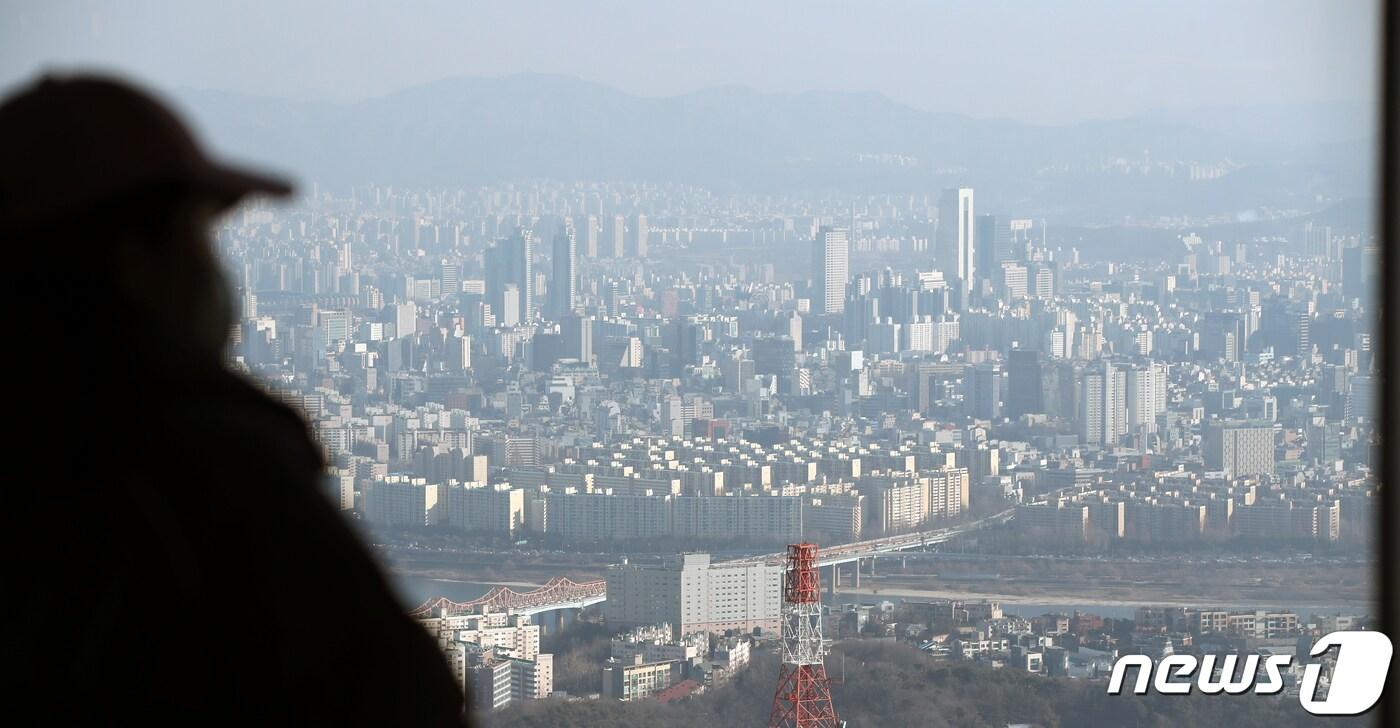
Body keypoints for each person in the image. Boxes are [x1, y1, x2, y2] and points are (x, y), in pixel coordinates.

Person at [2, 75, 466, 724]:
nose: (218, 272)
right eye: (200, 236)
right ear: (136, 259)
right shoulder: (195, 459)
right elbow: (396, 695)